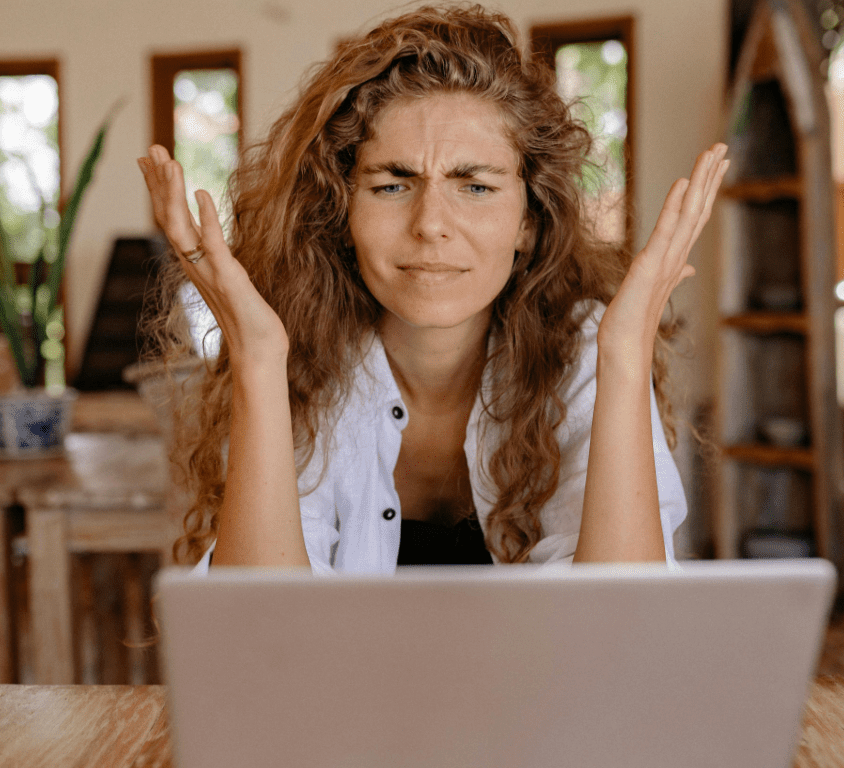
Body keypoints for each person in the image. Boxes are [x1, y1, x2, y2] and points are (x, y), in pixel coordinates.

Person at [136, 4, 727, 574]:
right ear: (342, 212)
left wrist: (624, 353)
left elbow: (619, 631)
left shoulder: (582, 348)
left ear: (528, 220)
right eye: (393, 185)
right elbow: (261, 635)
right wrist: (258, 359)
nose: (430, 224)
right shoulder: (300, 356)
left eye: (475, 186)